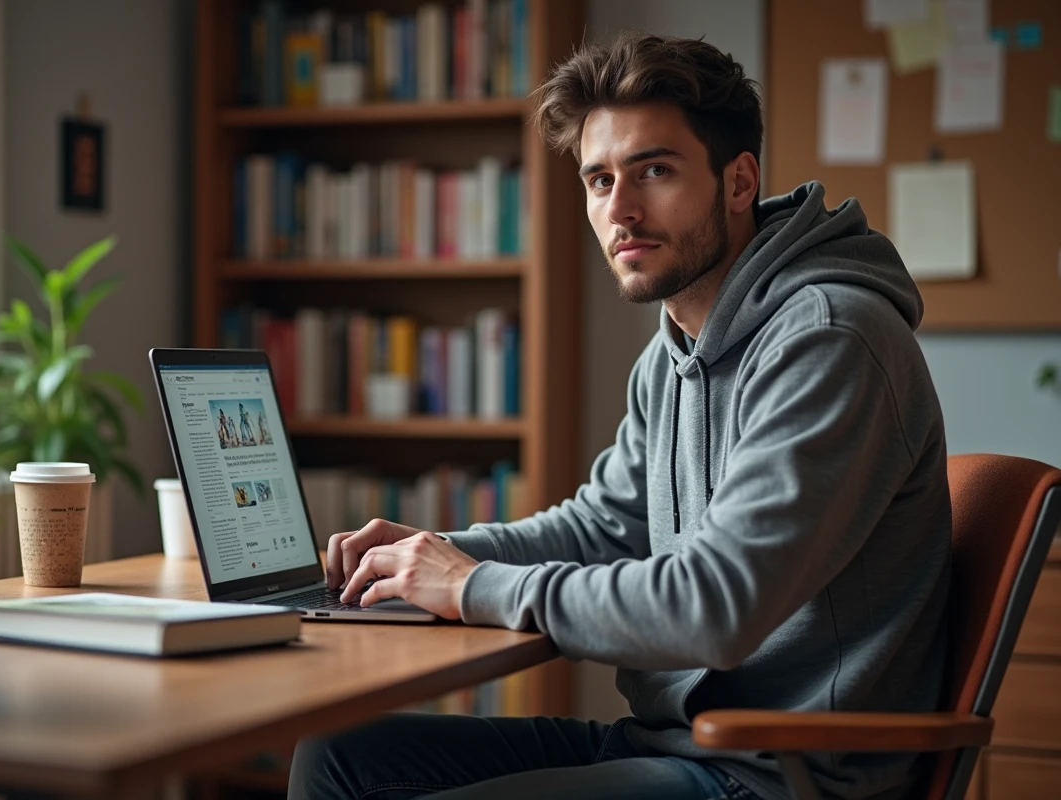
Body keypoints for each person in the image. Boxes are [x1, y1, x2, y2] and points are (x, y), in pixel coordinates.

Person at [292, 31, 950, 800]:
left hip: (784, 774)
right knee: (337, 754)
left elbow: (717, 608)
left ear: (740, 183)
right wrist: (428, 559)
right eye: (599, 180)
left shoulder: (830, 339)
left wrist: (471, 586)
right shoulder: (675, 351)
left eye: (655, 171)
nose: (621, 210)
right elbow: (603, 529)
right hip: (678, 743)